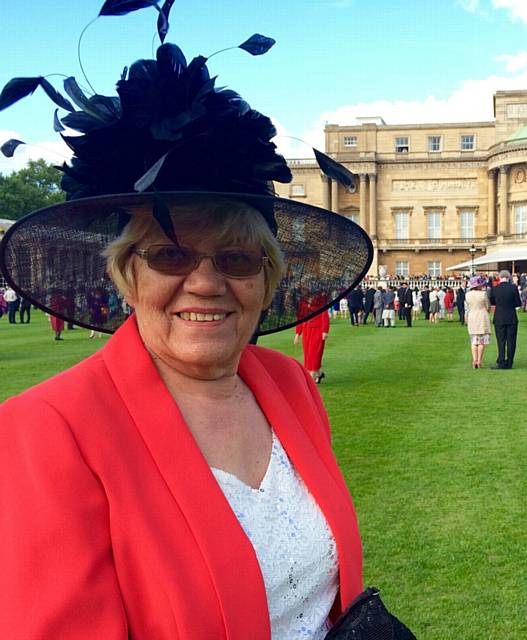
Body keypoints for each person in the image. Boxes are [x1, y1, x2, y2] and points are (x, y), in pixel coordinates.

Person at [0, 10, 374, 638]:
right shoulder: (46, 429)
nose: (206, 282)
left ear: (265, 279)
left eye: (235, 258)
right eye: (171, 255)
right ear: (127, 275)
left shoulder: (289, 385)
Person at [489, 269, 522, 370]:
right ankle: (510, 362)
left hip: (499, 317)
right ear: (509, 278)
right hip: (511, 317)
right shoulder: (513, 288)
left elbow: (493, 302)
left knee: (501, 341)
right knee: (511, 341)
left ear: (499, 277)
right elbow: (518, 303)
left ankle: (501, 361)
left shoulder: (495, 288)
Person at [295, 299, 329, 383]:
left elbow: (324, 315)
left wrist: (325, 331)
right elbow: (300, 318)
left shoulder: (321, 300)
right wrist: (297, 333)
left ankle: (311, 377)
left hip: (317, 330)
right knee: (308, 354)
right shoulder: (303, 302)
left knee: (314, 353)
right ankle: (319, 373)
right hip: (306, 330)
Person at [465, 275, 491, 369]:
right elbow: (487, 306)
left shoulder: (467, 295)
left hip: (472, 316)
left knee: (474, 340)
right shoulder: (483, 294)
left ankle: (474, 360)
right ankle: (479, 360)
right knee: (481, 341)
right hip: (482, 316)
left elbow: (468, 306)